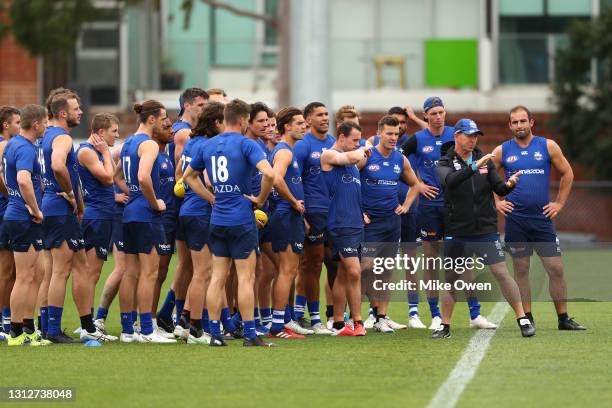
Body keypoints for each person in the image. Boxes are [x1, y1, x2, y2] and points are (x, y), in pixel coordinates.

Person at [183, 99, 275, 347]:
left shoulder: (209, 144)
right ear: (244, 120)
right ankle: (250, 335)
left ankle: (214, 335)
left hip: (217, 219)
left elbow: (188, 177)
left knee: (217, 278)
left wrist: (211, 198)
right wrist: (259, 199)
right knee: (246, 278)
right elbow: (270, 173)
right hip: (241, 219)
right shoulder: (247, 144)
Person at [434, 118, 534, 339]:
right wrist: (474, 166)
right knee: (451, 277)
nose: (473, 140)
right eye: (469, 135)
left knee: (501, 272)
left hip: (485, 230)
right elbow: (450, 181)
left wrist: (509, 185)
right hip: (457, 230)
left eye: (475, 136)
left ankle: (523, 318)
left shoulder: (485, 161)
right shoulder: (444, 162)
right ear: (457, 136)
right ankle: (445, 326)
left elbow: (497, 187)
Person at [400, 97, 493, 330]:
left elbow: (480, 162)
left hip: (457, 209)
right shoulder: (417, 140)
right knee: (431, 261)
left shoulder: (458, 133)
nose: (438, 116)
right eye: (433, 113)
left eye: (441, 112)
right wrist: (417, 184)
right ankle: (435, 316)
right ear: (426, 116)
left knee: (463, 262)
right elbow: (397, 160)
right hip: (430, 208)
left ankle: (475, 314)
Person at [492, 106, 585, 331]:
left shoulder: (547, 146)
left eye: (523, 121)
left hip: (542, 220)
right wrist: (496, 201)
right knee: (521, 271)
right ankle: (527, 318)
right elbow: (488, 177)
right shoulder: (502, 151)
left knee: (556, 269)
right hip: (516, 221)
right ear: (510, 125)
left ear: (531, 122)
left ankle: (563, 319)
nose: (519, 125)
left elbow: (568, 173)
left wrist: (560, 203)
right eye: (515, 122)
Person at [41, 89, 103, 343]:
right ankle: (52, 331)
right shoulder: (62, 138)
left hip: (57, 209)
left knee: (81, 266)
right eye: (77, 109)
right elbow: (57, 166)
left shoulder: (48, 135)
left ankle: (86, 326)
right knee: (60, 271)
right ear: (63, 113)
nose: (81, 112)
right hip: (58, 209)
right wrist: (67, 192)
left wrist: (77, 202)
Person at [116, 100, 176, 344]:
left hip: (130, 212)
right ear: (152, 119)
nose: (165, 122)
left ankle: (127, 330)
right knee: (149, 273)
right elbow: (143, 177)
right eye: (163, 118)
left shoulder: (129, 142)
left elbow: (116, 176)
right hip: (146, 213)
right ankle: (148, 331)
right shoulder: (149, 144)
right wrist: (154, 202)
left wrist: (130, 193)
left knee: (130, 273)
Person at [360, 115, 421, 333]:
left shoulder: (400, 160)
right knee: (364, 268)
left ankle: (381, 317)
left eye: (396, 134)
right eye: (389, 133)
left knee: (386, 271)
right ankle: (355, 315)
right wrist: (358, 211)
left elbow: (416, 185)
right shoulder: (367, 156)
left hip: (391, 222)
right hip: (370, 223)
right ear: (379, 133)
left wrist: (405, 205)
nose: (394, 137)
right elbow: (347, 183)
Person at [267, 107, 322, 338]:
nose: (304, 126)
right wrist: (293, 203)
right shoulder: (284, 152)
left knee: (288, 270)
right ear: (287, 127)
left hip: (292, 216)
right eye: (299, 123)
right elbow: (275, 178)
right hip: (285, 215)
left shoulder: (290, 150)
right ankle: (278, 326)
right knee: (287, 271)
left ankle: (283, 321)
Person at [157, 87, 208, 334]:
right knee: (181, 266)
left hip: (183, 204)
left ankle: (171, 315)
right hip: (182, 205)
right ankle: (166, 317)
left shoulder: (184, 132)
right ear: (187, 106)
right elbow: (185, 175)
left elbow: (179, 172)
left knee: (186, 265)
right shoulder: (183, 133)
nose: (204, 110)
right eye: (200, 105)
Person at [2, 104, 49, 346]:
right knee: (24, 276)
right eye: (46, 122)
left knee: (37, 273)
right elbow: (23, 179)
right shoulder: (25, 148)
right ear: (37, 124)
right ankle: (16, 332)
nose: (48, 126)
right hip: (24, 217)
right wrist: (34, 207)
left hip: (22, 216)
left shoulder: (16, 144)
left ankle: (29, 329)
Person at [178, 102, 223, 344]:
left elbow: (179, 172)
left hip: (188, 210)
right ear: (217, 123)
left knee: (198, 271)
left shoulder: (192, 142)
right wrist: (213, 198)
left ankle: (187, 324)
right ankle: (195, 328)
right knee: (203, 272)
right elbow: (207, 178)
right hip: (200, 211)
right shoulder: (209, 144)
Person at [321, 121, 370, 337]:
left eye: (359, 140)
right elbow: (349, 157)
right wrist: (364, 147)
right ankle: (357, 322)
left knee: (342, 273)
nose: (357, 144)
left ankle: (339, 324)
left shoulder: (352, 162)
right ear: (341, 136)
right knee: (354, 271)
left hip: (355, 224)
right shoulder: (329, 155)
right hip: (340, 225)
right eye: (354, 139)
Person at [75, 113, 120, 341]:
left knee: (94, 272)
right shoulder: (86, 151)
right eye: (114, 130)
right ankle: (87, 326)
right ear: (101, 133)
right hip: (96, 217)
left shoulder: (96, 152)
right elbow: (108, 178)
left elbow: (110, 176)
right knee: (90, 273)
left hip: (104, 215)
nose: (117, 134)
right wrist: (104, 152)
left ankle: (88, 324)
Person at [293, 102, 337, 329]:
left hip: (334, 213)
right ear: (308, 119)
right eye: (319, 115)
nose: (325, 118)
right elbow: (295, 179)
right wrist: (302, 215)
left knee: (335, 262)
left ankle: (335, 315)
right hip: (313, 212)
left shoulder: (333, 143)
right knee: (311, 263)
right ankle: (311, 316)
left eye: (326, 114)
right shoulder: (303, 145)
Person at [0, 106, 20, 340]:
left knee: (15, 271)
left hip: (8, 212)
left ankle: (9, 316)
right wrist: (12, 194)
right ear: (6, 125)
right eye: (16, 122)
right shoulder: (4, 145)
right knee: (7, 271)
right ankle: (4, 320)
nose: (19, 126)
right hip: (6, 212)